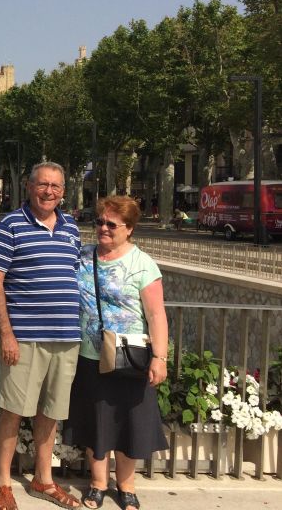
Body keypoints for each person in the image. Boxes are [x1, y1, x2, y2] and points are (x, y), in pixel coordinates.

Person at [0, 162, 82, 510]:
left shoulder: (72, 227)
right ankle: (4, 483)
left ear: (63, 191)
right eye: (43, 185)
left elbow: (74, 275)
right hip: (24, 337)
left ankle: (43, 480)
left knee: (51, 412)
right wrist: (6, 334)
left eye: (55, 186)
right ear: (29, 187)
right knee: (12, 409)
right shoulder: (11, 224)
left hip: (67, 337)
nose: (49, 191)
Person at [63, 196, 168, 510]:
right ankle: (97, 484)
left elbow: (157, 315)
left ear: (130, 229)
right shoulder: (82, 257)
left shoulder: (142, 264)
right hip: (89, 356)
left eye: (111, 224)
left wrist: (160, 357)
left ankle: (126, 485)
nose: (103, 229)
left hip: (129, 356)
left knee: (128, 422)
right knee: (97, 423)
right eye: (99, 222)